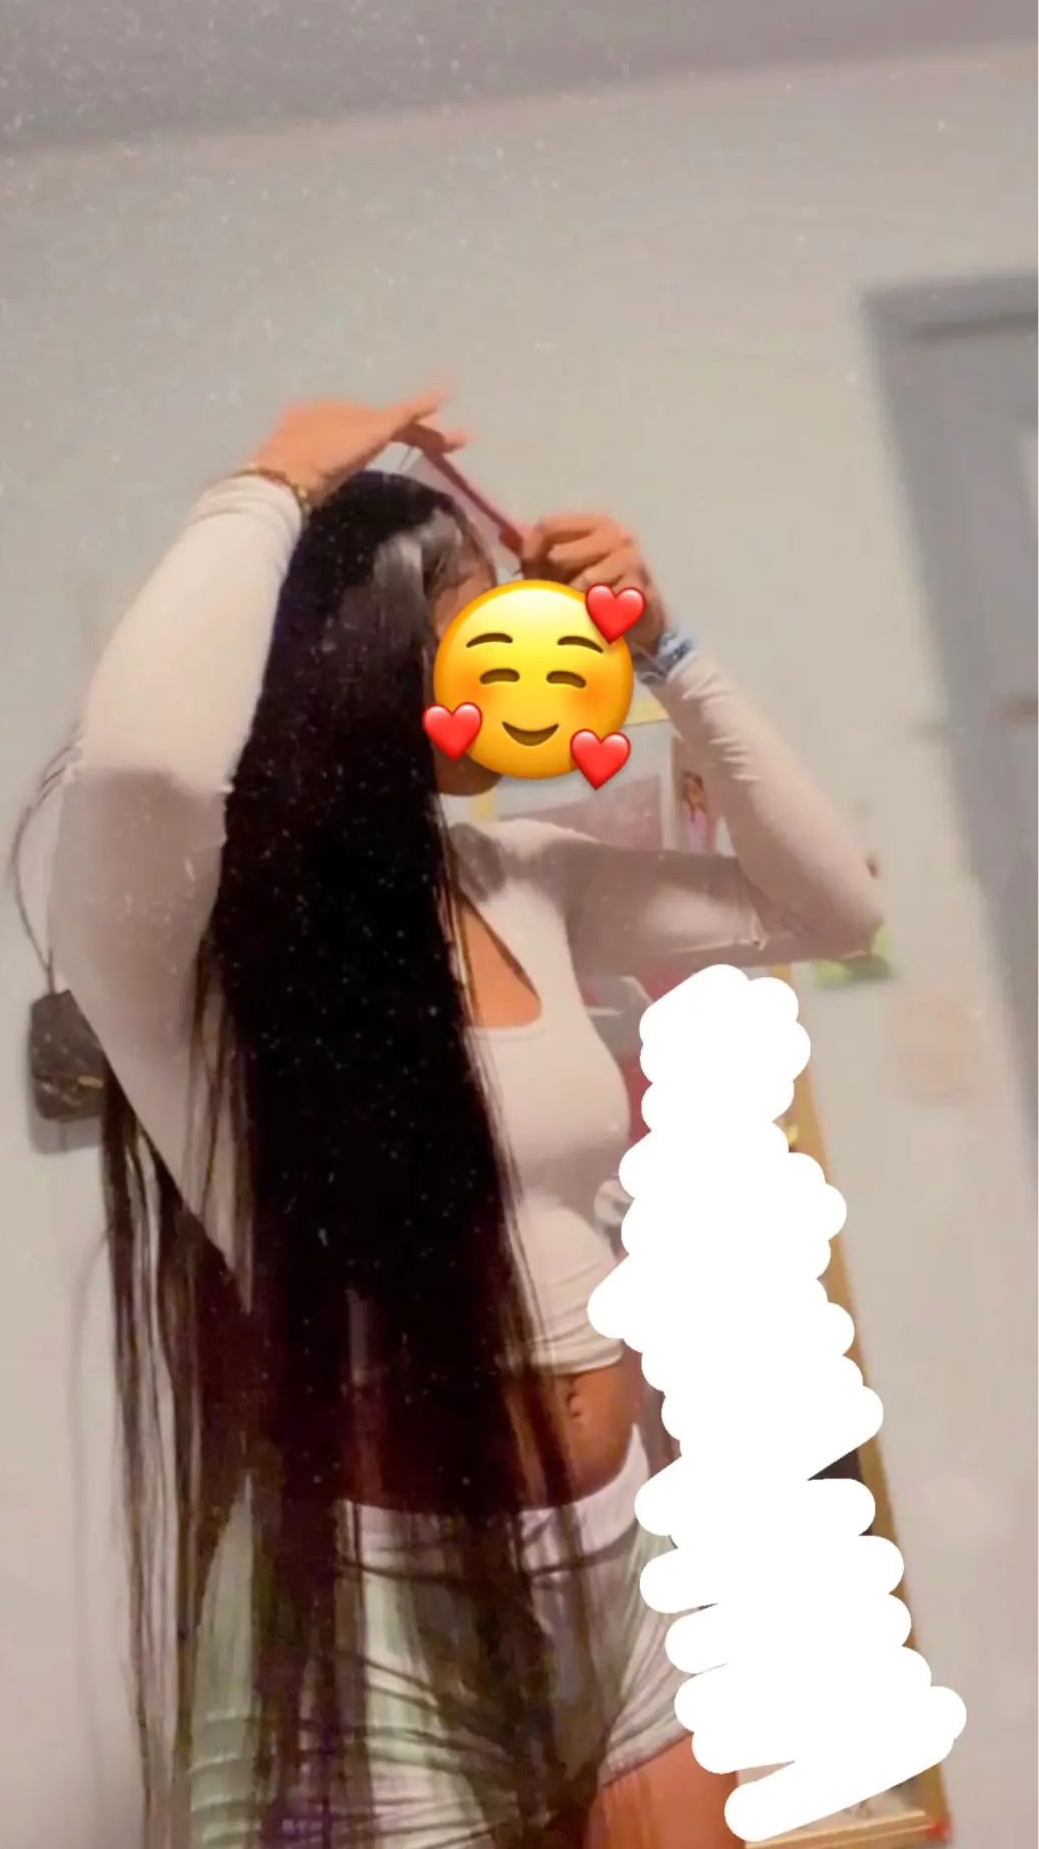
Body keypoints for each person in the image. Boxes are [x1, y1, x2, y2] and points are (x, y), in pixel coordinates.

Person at [47, 390, 882, 1849]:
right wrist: (270, 483)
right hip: (369, 1622)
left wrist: (665, 646)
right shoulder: (198, 944)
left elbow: (832, 906)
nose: (535, 650)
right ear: (369, 656)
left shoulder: (523, 877)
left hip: (618, 1564)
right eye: (484, 619)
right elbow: (143, 769)